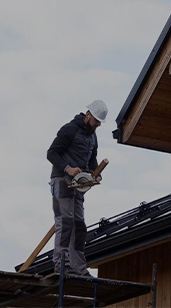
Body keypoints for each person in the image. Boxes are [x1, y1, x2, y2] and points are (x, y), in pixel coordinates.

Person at [46, 99, 107, 276]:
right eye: (96, 121)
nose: (98, 124)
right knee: (65, 222)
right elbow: (52, 153)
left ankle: (79, 268)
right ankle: (62, 265)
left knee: (79, 225)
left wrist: (95, 173)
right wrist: (68, 168)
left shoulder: (92, 136)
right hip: (62, 181)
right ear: (88, 115)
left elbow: (92, 160)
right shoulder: (69, 130)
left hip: (78, 186)